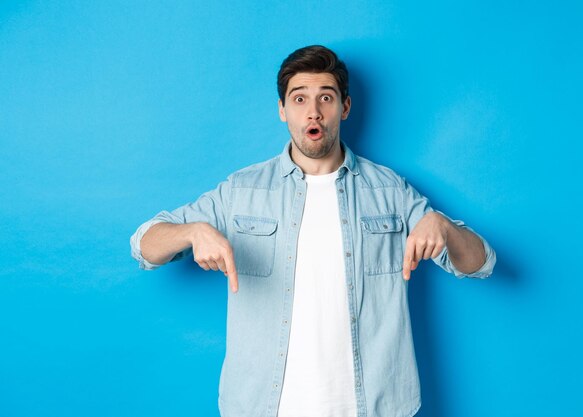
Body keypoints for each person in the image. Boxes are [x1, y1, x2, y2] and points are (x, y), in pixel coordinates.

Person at [130, 45, 496, 417]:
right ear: (282, 110)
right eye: (299, 98)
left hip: (374, 406)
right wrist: (193, 232)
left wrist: (444, 226)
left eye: (326, 97)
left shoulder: (390, 191)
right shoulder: (242, 191)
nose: (313, 110)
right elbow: (144, 245)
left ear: (345, 107)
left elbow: (481, 264)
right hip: (264, 407)